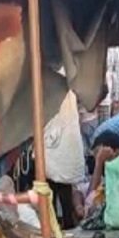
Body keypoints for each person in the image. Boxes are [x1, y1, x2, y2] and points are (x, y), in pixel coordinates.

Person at [44, 90, 86, 228]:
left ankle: (55, 225)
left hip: (57, 143)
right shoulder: (69, 90)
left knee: (54, 189)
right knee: (62, 189)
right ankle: (63, 223)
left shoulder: (54, 89)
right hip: (63, 145)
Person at [84, 130, 119, 221]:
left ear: (116, 152)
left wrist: (99, 163)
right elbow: (89, 201)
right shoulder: (103, 174)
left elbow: (90, 202)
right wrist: (99, 163)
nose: (97, 157)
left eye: (100, 153)